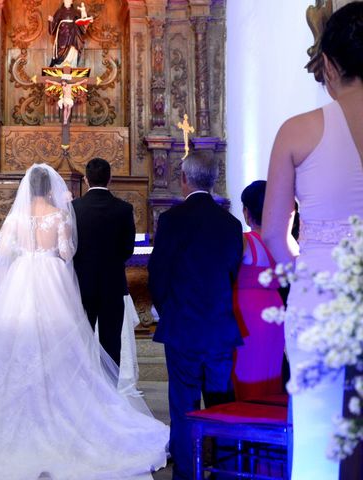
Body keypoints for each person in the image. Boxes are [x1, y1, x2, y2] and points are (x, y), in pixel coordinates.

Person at [0, 163, 168, 480]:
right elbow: (65, 251)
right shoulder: (59, 214)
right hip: (50, 280)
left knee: (14, 345)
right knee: (61, 345)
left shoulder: (17, 217)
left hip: (20, 282)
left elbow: (5, 251)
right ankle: (64, 407)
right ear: (49, 188)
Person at [261, 3, 363, 478]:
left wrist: (306, 270)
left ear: (329, 62)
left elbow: (274, 235)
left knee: (318, 430)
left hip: (321, 290)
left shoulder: (298, 130)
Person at [148, 151, 243, 480]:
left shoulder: (172, 220)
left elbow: (158, 273)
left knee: (184, 405)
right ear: (213, 179)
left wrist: (168, 308)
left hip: (183, 327)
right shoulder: (231, 224)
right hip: (219, 326)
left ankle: (188, 473)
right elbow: (234, 272)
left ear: (184, 179)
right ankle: (226, 470)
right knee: (221, 404)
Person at [72, 157, 136, 367]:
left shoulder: (74, 208)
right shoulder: (124, 209)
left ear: (85, 179)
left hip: (82, 285)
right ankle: (110, 391)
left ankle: (84, 390)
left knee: (82, 342)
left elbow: (70, 247)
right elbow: (128, 249)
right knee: (111, 344)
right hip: (113, 285)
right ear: (110, 179)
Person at [232, 180, 284, 401]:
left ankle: (248, 421)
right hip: (275, 308)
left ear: (246, 211)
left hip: (248, 311)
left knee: (247, 369)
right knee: (272, 368)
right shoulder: (283, 242)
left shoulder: (245, 241)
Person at [48, 0, 88, 68]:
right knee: (61, 50)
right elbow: (53, 26)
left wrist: (83, 12)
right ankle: (60, 66)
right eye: (66, 0)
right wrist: (51, 21)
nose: (67, 1)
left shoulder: (75, 12)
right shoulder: (59, 11)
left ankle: (71, 66)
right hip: (62, 35)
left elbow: (82, 23)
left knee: (73, 49)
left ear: (72, 2)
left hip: (73, 34)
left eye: (69, 0)